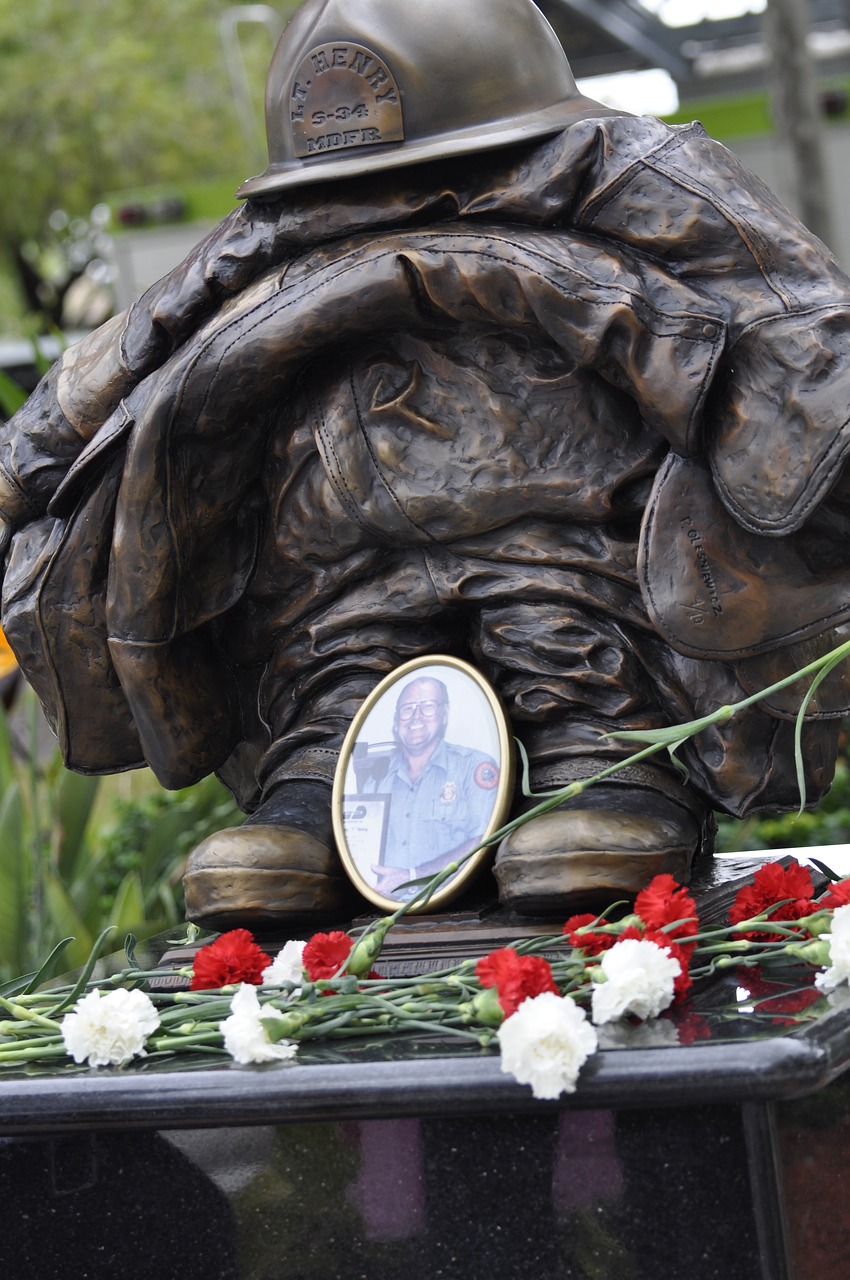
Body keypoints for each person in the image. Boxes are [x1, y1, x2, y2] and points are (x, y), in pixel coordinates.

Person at [2, 0, 850, 928]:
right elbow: (134, 345)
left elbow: (792, 311)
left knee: (561, 611)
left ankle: (603, 747)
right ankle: (325, 758)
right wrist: (28, 465)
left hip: (571, 529)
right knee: (339, 636)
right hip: (334, 555)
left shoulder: (617, 177)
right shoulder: (266, 242)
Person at [354, 676, 499, 897]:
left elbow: (485, 841)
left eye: (428, 707)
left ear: (445, 714)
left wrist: (413, 877)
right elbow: (362, 851)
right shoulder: (376, 782)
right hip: (386, 908)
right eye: (407, 709)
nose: (416, 717)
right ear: (396, 721)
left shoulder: (474, 767)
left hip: (458, 903)